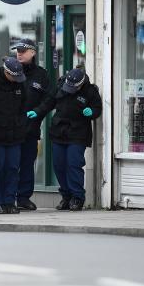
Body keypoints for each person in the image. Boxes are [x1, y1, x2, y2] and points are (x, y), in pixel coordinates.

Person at [29, 67, 102, 211]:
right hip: (59, 131)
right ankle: (66, 196)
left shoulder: (90, 91)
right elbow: (49, 102)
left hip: (78, 133)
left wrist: (91, 112)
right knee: (59, 165)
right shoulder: (61, 85)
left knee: (73, 164)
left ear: (81, 84)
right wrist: (37, 112)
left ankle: (77, 197)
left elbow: (97, 108)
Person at [11, 38, 50, 211]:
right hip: (11, 128)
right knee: (11, 164)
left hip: (30, 128)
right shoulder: (10, 71)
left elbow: (49, 99)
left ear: (33, 52)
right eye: (17, 51)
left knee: (27, 164)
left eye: (23, 51)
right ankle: (8, 197)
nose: (19, 53)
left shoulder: (41, 74)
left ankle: (24, 197)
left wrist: (39, 111)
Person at [0, 57, 27, 214]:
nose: (16, 80)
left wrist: (21, 125)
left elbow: (23, 106)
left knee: (12, 168)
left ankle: (9, 201)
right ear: (6, 72)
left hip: (15, 135)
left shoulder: (20, 86)